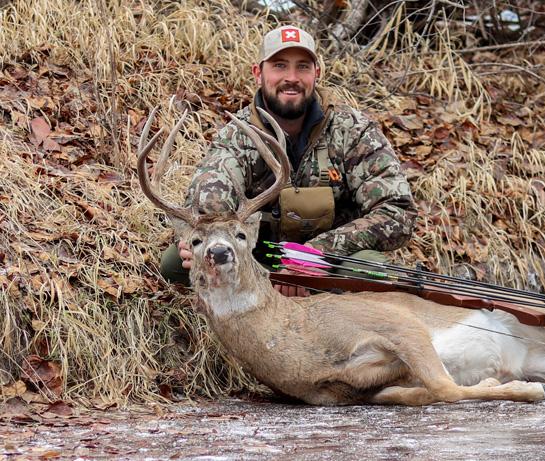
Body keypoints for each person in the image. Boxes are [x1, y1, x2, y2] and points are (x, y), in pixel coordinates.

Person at [159, 25, 417, 295]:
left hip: (330, 263)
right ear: (258, 73)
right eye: (279, 66)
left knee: (372, 269)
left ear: (316, 73)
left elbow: (398, 213)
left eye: (303, 67)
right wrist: (204, 237)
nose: (291, 77)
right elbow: (210, 194)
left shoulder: (353, 130)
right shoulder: (237, 135)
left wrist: (313, 254)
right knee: (176, 264)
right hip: (255, 263)